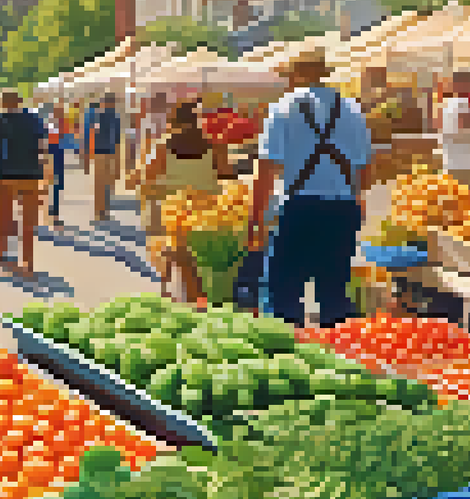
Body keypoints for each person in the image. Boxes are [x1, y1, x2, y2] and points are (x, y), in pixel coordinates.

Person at [249, 49, 370, 329]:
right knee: (335, 291)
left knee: (284, 293)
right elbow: (364, 169)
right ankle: (341, 359)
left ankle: (285, 356)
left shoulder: (282, 108)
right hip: (341, 207)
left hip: (299, 207)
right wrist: (355, 200)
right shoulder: (351, 109)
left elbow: (266, 170)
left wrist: (256, 218)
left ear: (297, 75)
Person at [145, 101, 231, 302]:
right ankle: (197, 295)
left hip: (172, 207)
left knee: (168, 247)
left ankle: (167, 290)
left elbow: (148, 176)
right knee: (199, 255)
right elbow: (227, 175)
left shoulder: (163, 145)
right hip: (206, 208)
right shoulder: (215, 145)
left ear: (174, 121)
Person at [0, 90, 52, 278]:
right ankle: (28, 262)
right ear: (20, 102)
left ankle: (2, 253)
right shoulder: (34, 119)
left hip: (6, 172)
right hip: (31, 172)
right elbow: (43, 146)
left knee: (4, 215)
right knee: (29, 220)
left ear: (3, 103)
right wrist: (45, 170)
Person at [84, 94, 122, 222]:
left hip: (101, 152)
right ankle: (102, 211)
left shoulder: (99, 116)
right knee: (105, 183)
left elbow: (91, 136)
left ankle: (100, 211)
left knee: (101, 183)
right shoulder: (114, 117)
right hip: (108, 152)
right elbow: (117, 140)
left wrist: (87, 155)